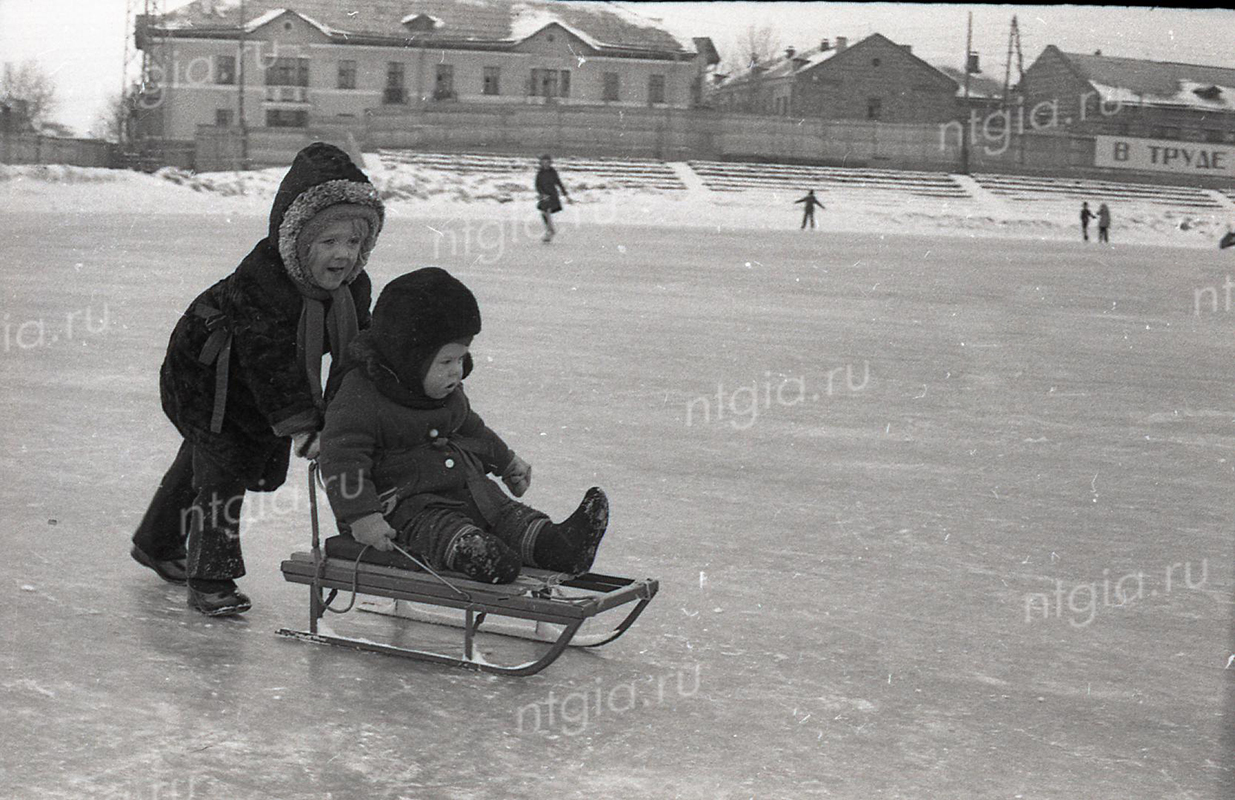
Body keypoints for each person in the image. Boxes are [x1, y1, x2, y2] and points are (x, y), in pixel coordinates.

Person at [131, 142, 385, 616]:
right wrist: (305, 425)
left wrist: (349, 409)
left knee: (199, 463)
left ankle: (155, 541)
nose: (343, 256)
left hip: (249, 384)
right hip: (208, 380)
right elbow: (271, 365)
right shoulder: (262, 284)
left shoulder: (354, 289)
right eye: (328, 242)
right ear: (297, 239)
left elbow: (355, 352)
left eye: (354, 242)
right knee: (222, 469)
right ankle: (210, 578)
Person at [317, 267, 609, 584]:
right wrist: (362, 516)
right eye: (446, 362)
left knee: (505, 514)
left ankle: (558, 546)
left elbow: (472, 430)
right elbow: (341, 459)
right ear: (408, 357)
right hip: (404, 507)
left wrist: (506, 461)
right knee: (440, 529)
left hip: (465, 488)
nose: (456, 372)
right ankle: (475, 553)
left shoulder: (446, 392)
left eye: (461, 358)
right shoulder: (361, 397)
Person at [535, 154, 572, 243]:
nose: (545, 164)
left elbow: (559, 183)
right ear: (541, 163)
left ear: (550, 163)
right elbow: (537, 185)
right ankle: (550, 230)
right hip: (544, 195)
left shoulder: (553, 172)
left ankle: (550, 231)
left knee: (547, 212)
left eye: (547, 162)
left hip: (552, 195)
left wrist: (566, 195)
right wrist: (542, 194)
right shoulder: (540, 173)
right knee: (544, 213)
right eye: (543, 162)